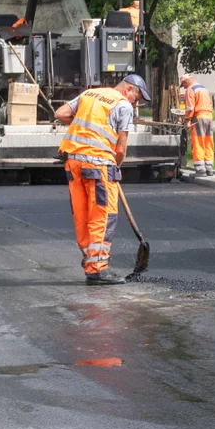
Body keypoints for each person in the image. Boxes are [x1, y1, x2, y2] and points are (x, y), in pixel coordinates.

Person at [54, 74, 150, 285]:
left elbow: (60, 113)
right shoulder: (123, 105)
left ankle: (90, 261)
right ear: (128, 90)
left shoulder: (90, 93)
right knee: (104, 216)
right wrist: (115, 165)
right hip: (99, 168)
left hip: (74, 164)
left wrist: (85, 131)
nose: (137, 103)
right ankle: (97, 269)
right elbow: (121, 148)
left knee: (83, 215)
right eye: (138, 97)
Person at [180, 75, 215, 176]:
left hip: (198, 118)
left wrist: (187, 120)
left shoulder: (190, 90)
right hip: (209, 116)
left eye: (184, 84)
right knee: (208, 142)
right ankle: (209, 168)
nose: (184, 87)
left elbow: (190, 108)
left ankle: (200, 170)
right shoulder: (203, 88)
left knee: (198, 142)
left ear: (187, 81)